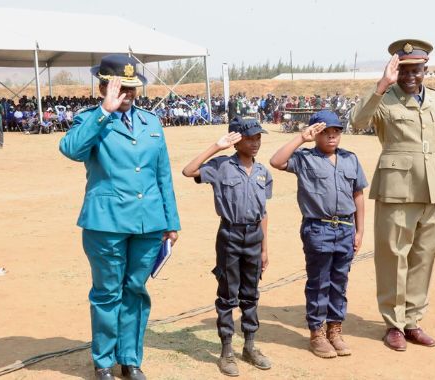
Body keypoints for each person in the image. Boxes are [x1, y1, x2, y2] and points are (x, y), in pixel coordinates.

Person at [59, 54, 180, 380]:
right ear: (103, 87)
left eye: (133, 88)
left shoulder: (151, 123)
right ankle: (103, 362)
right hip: (106, 223)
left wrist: (171, 221)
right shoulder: (90, 120)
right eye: (121, 87)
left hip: (148, 223)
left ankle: (130, 359)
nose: (128, 94)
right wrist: (104, 112)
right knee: (107, 293)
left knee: (136, 290)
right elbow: (71, 149)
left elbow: (162, 174)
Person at [350, 39, 435, 351]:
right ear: (395, 71)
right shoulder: (384, 99)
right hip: (396, 190)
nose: (410, 76)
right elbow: (358, 121)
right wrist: (381, 85)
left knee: (423, 257)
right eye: (403, 71)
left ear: (424, 70)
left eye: (415, 70)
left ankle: (412, 321)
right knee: (393, 256)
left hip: (431, 189)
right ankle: (393, 324)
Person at [270, 110, 367, 358]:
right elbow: (276, 161)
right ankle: (317, 332)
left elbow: (358, 195)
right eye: (324, 132)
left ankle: (335, 329)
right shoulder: (304, 159)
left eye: (336, 131)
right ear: (315, 134)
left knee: (339, 282)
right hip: (318, 228)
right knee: (319, 282)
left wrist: (360, 230)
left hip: (346, 228)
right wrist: (301, 139)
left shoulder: (350, 159)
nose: (331, 136)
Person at [181, 116, 273, 377]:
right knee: (227, 295)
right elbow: (189, 171)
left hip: (254, 236)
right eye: (250, 137)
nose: (256, 142)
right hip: (230, 235)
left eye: (258, 137)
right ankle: (227, 350)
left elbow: (263, 212)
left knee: (251, 293)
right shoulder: (221, 166)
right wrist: (216, 146)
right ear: (236, 140)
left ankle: (251, 346)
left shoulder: (262, 171)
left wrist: (265, 247)